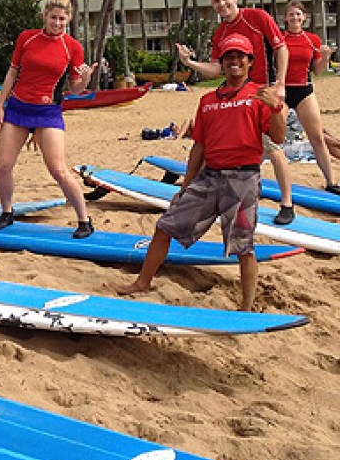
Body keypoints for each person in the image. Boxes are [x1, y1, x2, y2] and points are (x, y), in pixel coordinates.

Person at [116, 34, 286, 311]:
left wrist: (276, 108)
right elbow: (199, 147)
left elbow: (277, 138)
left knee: (243, 245)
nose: (234, 61)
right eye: (228, 57)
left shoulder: (258, 95)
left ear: (249, 62)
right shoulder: (208, 101)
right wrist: (185, 185)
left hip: (243, 179)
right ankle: (142, 283)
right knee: (164, 226)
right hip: (210, 176)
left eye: (240, 56)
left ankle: (246, 306)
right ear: (222, 62)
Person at [176, 0, 295, 225]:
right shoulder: (220, 33)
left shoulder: (257, 17)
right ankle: (203, 197)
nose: (222, 4)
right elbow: (217, 69)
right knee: (215, 146)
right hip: (237, 96)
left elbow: (281, 48)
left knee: (273, 146)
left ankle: (287, 204)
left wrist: (279, 84)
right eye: (216, 2)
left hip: (263, 92)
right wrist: (191, 64)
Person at [0, 0, 96, 238]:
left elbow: (75, 89)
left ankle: (84, 219)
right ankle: (7, 212)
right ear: (45, 15)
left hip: (48, 112)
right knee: (3, 165)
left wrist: (87, 79)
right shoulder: (26, 39)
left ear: (68, 19)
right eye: (53, 17)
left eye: (62, 19)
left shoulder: (72, 48)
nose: (57, 23)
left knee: (58, 169)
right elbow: (12, 73)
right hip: (17, 109)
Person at [281, 1, 340, 196]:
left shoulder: (312, 40)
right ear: (285, 18)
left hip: (304, 91)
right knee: (270, 137)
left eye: (298, 15)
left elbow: (318, 71)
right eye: (291, 15)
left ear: (304, 17)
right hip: (283, 91)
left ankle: (331, 182)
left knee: (317, 137)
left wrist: (325, 57)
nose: (295, 18)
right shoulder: (279, 39)